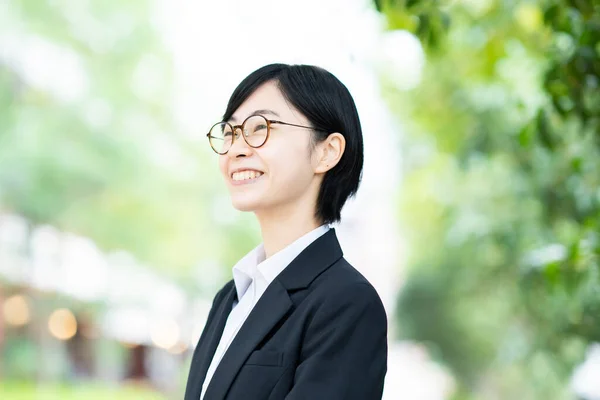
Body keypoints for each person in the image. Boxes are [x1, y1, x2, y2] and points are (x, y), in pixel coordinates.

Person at [184, 63, 388, 400]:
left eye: (260, 128)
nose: (236, 149)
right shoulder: (230, 298)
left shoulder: (347, 304)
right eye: (231, 132)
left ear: (327, 151)